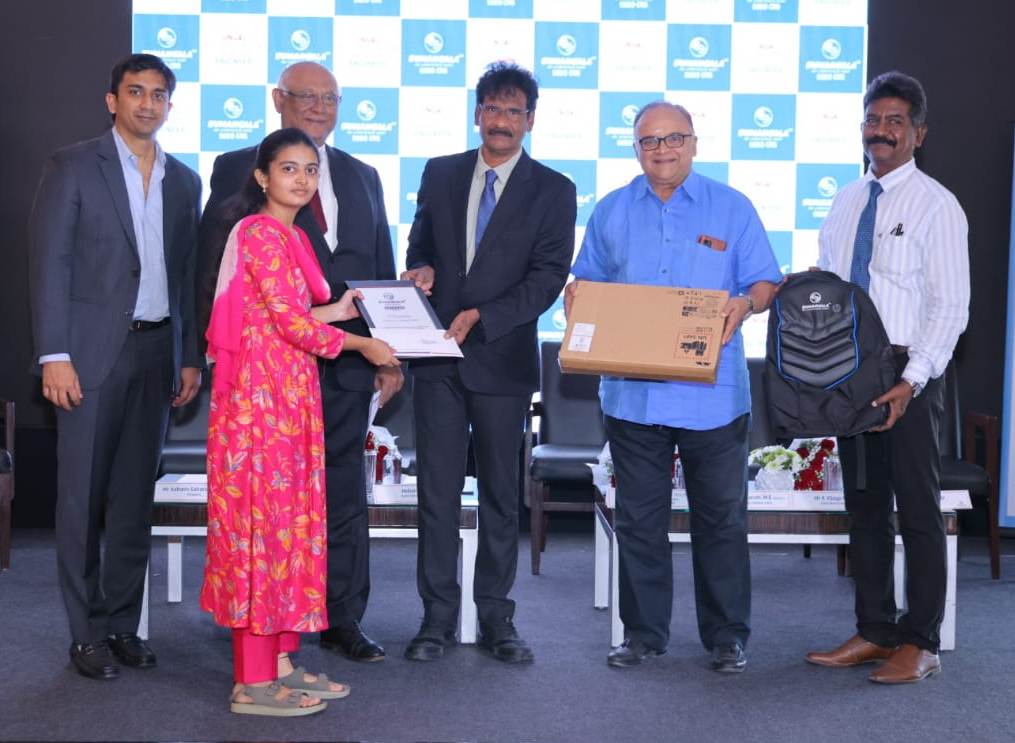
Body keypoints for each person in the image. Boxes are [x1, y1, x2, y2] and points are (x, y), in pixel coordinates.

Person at [566, 101, 781, 673]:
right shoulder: (611, 210)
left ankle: (727, 637)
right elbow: (587, 282)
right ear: (636, 148)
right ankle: (643, 634)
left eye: (673, 138)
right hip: (633, 397)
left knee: (722, 521)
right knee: (639, 522)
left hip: (713, 398)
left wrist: (746, 302)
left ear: (693, 143)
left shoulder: (731, 207)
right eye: (650, 141)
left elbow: (766, 281)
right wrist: (577, 297)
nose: (662, 150)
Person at [197, 62, 400, 662]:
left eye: (330, 98)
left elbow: (374, 270)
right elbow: (214, 276)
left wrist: (382, 348)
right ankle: (263, 652)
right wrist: (361, 343)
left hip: (326, 379)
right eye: (306, 96)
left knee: (330, 500)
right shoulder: (248, 202)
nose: (318, 106)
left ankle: (339, 620)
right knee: (269, 514)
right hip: (267, 385)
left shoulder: (363, 176)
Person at [28, 53, 202, 680]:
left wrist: (189, 357)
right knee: (81, 501)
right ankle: (86, 635)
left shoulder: (185, 181)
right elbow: (51, 264)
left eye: (158, 94)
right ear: (113, 101)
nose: (147, 104)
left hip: (157, 355)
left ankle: (124, 624)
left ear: (169, 105)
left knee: (133, 501)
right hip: (89, 358)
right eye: (136, 92)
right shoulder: (74, 166)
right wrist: (55, 354)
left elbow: (185, 275)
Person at [400, 62, 575, 663]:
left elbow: (547, 279)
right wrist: (421, 268)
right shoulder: (440, 172)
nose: (502, 121)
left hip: (503, 360)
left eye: (514, 111)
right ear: (478, 114)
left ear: (530, 120)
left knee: (502, 496)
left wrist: (483, 316)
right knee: (436, 495)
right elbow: (420, 244)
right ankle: (436, 621)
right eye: (493, 109)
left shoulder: (554, 190)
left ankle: (498, 619)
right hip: (436, 361)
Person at [806, 71, 969, 684]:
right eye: (873, 120)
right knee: (865, 508)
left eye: (895, 122)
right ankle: (875, 630)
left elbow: (951, 307)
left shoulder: (937, 206)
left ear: (918, 134)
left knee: (919, 512)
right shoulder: (848, 199)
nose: (881, 131)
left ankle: (921, 642)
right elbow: (830, 280)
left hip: (907, 371)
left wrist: (913, 379)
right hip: (849, 370)